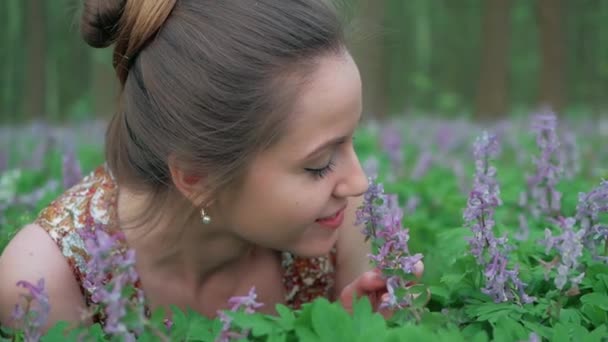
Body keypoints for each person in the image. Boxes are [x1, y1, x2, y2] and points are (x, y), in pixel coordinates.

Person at [0, 0, 422, 332]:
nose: (359, 181)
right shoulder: (44, 283)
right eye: (318, 164)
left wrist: (354, 331)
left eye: (351, 141)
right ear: (197, 178)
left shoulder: (340, 218)